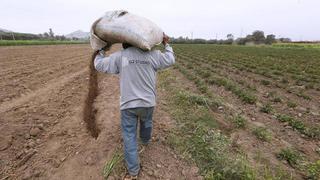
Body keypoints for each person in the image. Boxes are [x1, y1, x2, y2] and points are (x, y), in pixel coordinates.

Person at [93, 33, 175, 180]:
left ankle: (133, 171)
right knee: (146, 122)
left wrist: (100, 51)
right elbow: (170, 59)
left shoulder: (120, 56)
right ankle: (145, 140)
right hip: (148, 103)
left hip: (128, 105)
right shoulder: (154, 55)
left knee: (129, 136)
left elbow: (99, 65)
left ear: (125, 42)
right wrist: (166, 44)